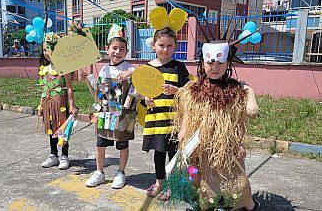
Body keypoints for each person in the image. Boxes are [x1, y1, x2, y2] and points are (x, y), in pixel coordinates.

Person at [173, 39, 260, 210]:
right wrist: (183, 135)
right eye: (210, 62)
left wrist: (250, 91)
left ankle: (247, 204)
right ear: (202, 62)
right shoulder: (193, 89)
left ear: (228, 63)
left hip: (226, 148)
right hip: (199, 147)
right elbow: (187, 114)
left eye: (220, 62)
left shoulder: (236, 90)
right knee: (197, 179)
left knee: (236, 183)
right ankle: (201, 203)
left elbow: (247, 114)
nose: (215, 67)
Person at [85, 24, 136, 189]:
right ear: (107, 50)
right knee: (100, 143)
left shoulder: (130, 67)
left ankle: (121, 172)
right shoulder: (104, 70)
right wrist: (90, 81)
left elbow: (140, 75)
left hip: (123, 114)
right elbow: (99, 93)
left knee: (122, 144)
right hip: (105, 113)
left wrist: (131, 73)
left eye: (122, 49)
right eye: (114, 48)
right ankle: (99, 172)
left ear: (126, 52)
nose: (118, 52)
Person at [142, 24, 190, 198]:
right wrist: (145, 99)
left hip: (174, 119)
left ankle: (171, 184)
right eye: (161, 45)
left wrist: (176, 90)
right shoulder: (148, 68)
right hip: (156, 119)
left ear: (175, 46)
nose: (165, 49)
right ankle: (159, 182)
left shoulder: (179, 67)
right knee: (159, 152)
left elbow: (189, 92)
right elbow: (141, 93)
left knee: (173, 153)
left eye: (170, 45)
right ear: (154, 45)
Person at [38, 32, 78, 170]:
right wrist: (40, 104)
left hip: (61, 104)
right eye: (44, 49)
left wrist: (72, 105)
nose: (46, 53)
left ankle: (64, 156)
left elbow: (69, 88)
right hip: (48, 104)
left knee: (63, 129)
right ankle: (53, 155)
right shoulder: (44, 69)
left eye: (48, 49)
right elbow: (43, 88)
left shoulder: (64, 68)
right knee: (51, 128)